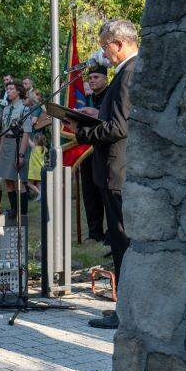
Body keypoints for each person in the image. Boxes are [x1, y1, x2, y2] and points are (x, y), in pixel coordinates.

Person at [68, 19, 138, 330]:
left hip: (117, 171)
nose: (104, 53)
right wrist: (98, 114)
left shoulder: (127, 74)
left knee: (123, 244)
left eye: (106, 46)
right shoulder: (127, 73)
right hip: (115, 170)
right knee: (120, 242)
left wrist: (84, 132)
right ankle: (127, 308)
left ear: (120, 43)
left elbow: (121, 128)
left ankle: (127, 312)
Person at [79, 64, 110, 243]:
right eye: (90, 78)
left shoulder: (110, 96)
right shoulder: (86, 98)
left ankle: (111, 233)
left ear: (105, 79)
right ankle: (94, 232)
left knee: (105, 192)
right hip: (86, 151)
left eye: (96, 77)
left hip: (105, 150)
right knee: (89, 193)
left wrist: (96, 113)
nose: (92, 81)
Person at [0, 80, 33, 217]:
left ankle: (22, 212)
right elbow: (3, 133)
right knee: (7, 179)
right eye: (7, 89)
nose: (8, 92)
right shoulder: (6, 109)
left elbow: (26, 133)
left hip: (17, 144)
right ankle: (13, 209)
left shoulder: (24, 109)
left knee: (18, 180)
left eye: (11, 89)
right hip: (6, 145)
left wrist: (21, 155)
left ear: (18, 91)